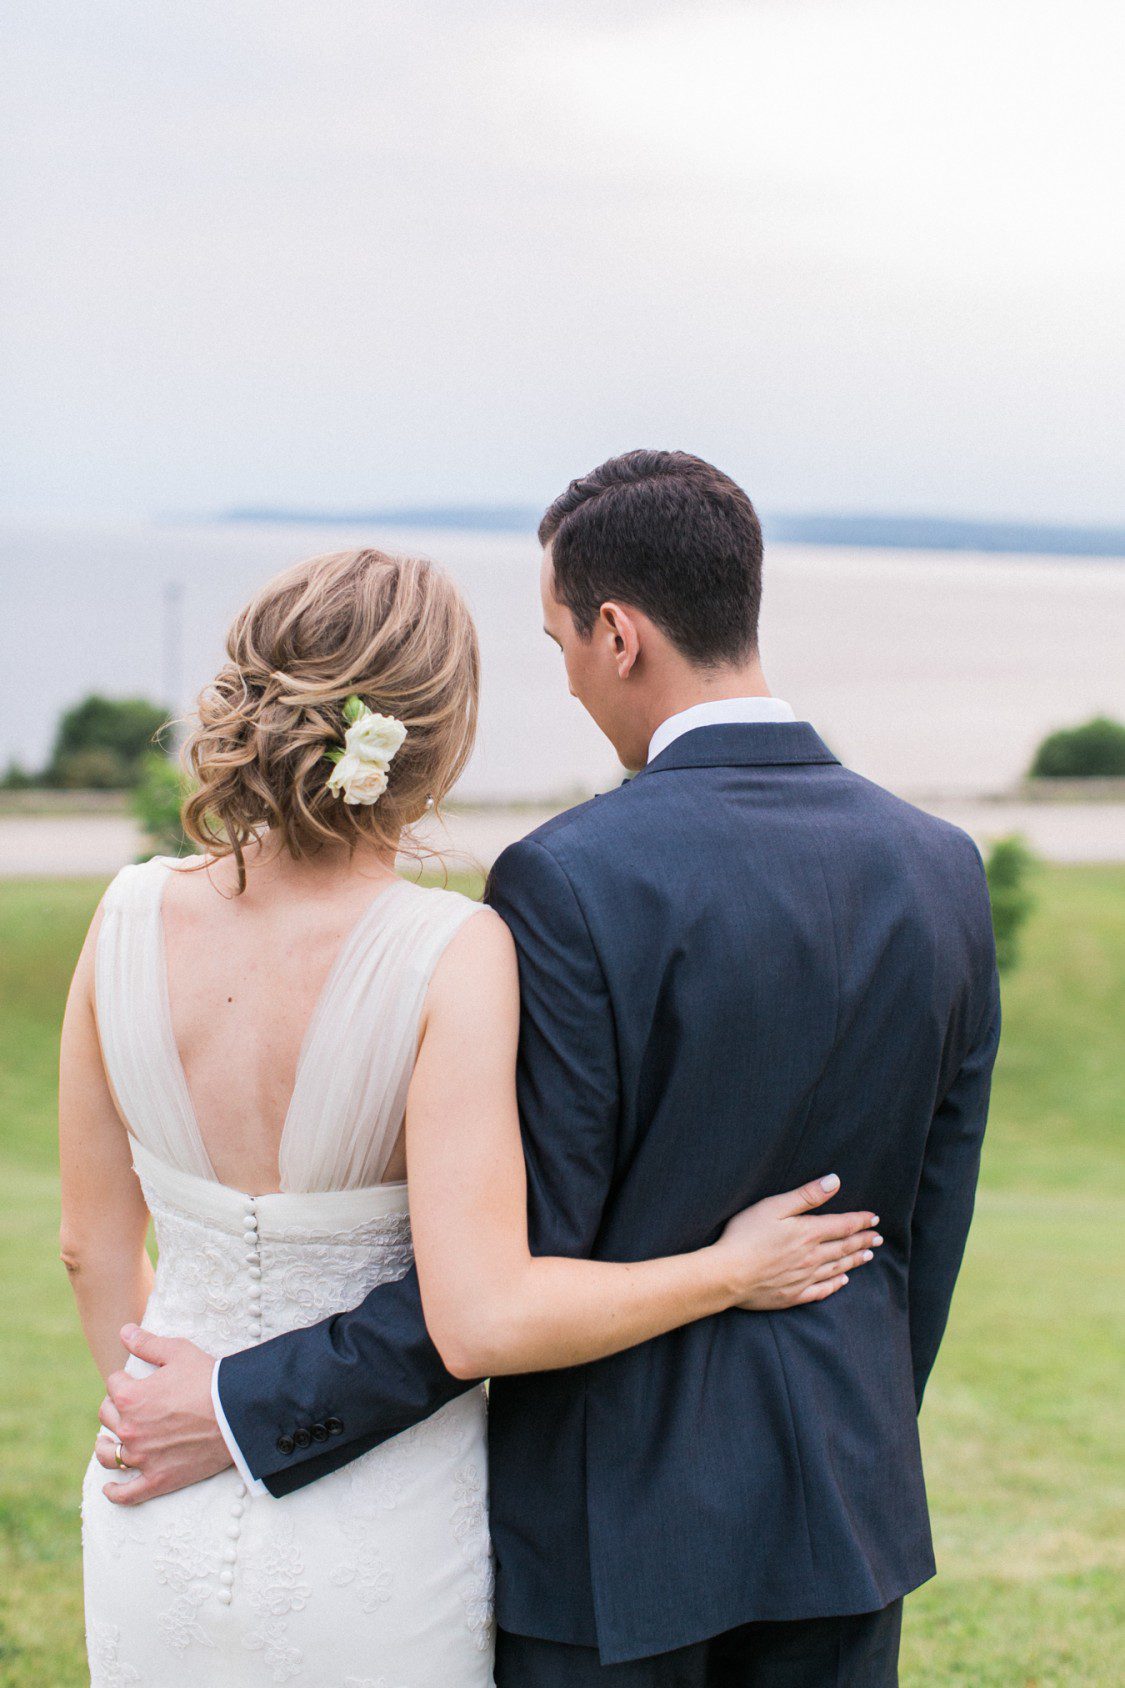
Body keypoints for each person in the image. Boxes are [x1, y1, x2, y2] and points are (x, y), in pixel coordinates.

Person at [63, 533, 883, 1687]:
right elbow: (484, 1314)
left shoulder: (124, 912)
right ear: (433, 743)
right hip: (376, 1520)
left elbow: (88, 1245)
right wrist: (730, 1271)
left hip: (153, 1501)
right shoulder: (453, 952)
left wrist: (154, 1418)